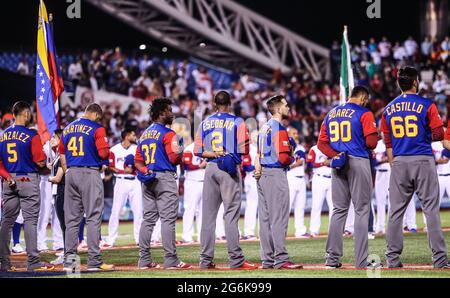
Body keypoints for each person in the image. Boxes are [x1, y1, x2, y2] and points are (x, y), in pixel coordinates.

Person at [381, 66, 449, 269]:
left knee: (395, 213)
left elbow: (388, 141)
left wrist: (395, 163)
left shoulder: (388, 109)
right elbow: (437, 135)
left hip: (399, 161)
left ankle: (392, 259)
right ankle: (439, 259)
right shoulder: (427, 104)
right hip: (422, 159)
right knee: (431, 211)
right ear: (415, 82)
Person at [318, 86, 378, 269]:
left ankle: (332, 260)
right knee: (361, 210)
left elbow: (321, 143)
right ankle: (361, 261)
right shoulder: (364, 112)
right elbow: (372, 142)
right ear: (363, 98)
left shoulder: (331, 113)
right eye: (365, 100)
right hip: (358, 161)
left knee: (338, 211)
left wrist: (336, 155)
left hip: (339, 164)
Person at [194, 90, 256, 270]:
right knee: (230, 215)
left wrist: (214, 153)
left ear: (214, 103)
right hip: (228, 169)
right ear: (230, 103)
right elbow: (244, 150)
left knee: (208, 217)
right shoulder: (237, 121)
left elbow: (197, 151)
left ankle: (205, 261)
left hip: (211, 167)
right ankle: (236, 260)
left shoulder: (205, 122)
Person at [135, 97, 191, 269]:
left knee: (148, 219)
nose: (172, 113)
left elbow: (138, 161)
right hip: (165, 178)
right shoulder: (168, 134)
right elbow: (174, 158)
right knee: (167, 220)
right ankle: (171, 259)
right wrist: (180, 148)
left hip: (148, 179)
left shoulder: (144, 134)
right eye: (169, 110)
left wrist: (146, 172)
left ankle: (144, 260)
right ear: (161, 113)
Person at [59, 103, 114, 271]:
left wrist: (68, 170)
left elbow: (61, 152)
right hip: (89, 173)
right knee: (93, 217)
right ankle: (94, 262)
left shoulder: (67, 128)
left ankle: (70, 263)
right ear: (96, 115)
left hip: (71, 173)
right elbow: (104, 153)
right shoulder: (97, 128)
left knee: (72, 221)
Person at [0, 101, 54, 271]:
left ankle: (4, 263)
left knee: (6, 222)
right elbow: (39, 161)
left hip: (9, 181)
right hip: (28, 180)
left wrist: (8, 177)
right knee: (30, 221)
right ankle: (33, 262)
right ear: (25, 114)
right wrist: (48, 164)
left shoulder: (2, 135)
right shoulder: (32, 135)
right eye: (29, 113)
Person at [254, 95, 303, 269]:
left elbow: (258, 155)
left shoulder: (263, 128)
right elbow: (283, 158)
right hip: (275, 174)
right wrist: (293, 157)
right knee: (279, 218)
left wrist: (258, 169)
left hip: (262, 175)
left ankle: (267, 259)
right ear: (277, 108)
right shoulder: (279, 129)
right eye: (285, 105)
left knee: (265, 220)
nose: (288, 108)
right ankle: (281, 259)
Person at [106, 128, 142, 247]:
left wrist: (135, 169)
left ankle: (139, 238)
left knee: (138, 211)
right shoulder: (114, 149)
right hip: (121, 181)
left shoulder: (137, 148)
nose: (134, 136)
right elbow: (110, 166)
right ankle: (111, 239)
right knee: (115, 211)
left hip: (135, 181)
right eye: (132, 134)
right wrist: (123, 171)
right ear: (126, 136)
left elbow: (142, 163)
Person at [181, 141, 207, 244]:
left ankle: (202, 237)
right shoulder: (189, 148)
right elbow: (187, 166)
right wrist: (201, 166)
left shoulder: (208, 147)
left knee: (203, 212)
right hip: (192, 182)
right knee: (190, 210)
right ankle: (187, 236)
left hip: (204, 182)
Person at [286, 127, 308, 238]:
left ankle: (300, 230)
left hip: (300, 179)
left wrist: (290, 166)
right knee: (287, 206)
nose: (296, 135)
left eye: (296, 133)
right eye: (293, 133)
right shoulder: (285, 147)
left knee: (300, 206)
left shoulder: (300, 147)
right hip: (291, 179)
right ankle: (282, 230)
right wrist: (290, 166)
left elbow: (300, 162)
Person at [307, 145, 333, 238]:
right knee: (316, 205)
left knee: (334, 206)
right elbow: (309, 164)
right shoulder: (314, 149)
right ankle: (314, 230)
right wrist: (323, 163)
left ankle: (333, 230)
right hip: (319, 178)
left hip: (332, 178)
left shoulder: (332, 147)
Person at [242, 130, 258, 240]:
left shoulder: (263, 148)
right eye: (255, 136)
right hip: (251, 179)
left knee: (261, 207)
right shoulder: (249, 150)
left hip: (261, 179)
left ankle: (262, 232)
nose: (257, 137)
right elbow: (247, 167)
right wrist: (259, 167)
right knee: (251, 206)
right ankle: (248, 232)